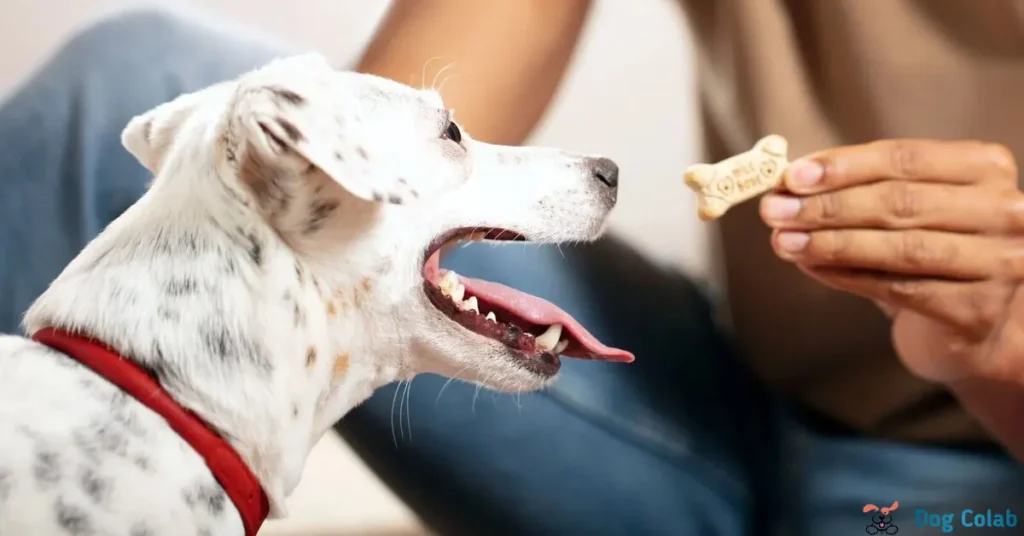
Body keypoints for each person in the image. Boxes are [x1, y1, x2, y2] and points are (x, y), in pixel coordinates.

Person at [2, 2, 1024, 534]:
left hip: (974, 475)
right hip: (737, 404)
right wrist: (341, 177)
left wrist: (995, 343)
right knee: (127, 76)